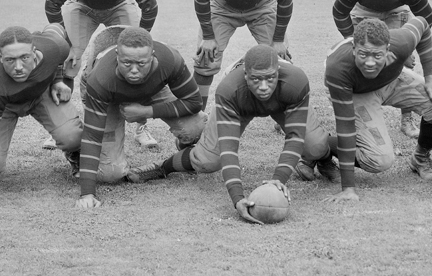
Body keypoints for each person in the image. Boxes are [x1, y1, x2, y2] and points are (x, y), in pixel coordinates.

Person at [130, 44, 337, 223]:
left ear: (278, 73)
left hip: (281, 102)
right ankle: (163, 167)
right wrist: (237, 198)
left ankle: (325, 159)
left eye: (270, 78)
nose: (263, 87)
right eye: (256, 79)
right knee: (207, 161)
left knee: (315, 144)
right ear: (246, 75)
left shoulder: (295, 82)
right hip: (240, 104)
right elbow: (229, 150)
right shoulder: (229, 90)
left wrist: (278, 180)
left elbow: (295, 136)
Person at [44, 0, 159, 147]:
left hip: (118, 7)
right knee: (69, 60)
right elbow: (51, 4)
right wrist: (67, 43)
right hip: (82, 8)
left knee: (136, 60)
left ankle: (142, 127)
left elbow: (150, 7)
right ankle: (61, 124)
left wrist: (142, 39)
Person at [324, 16, 432, 201]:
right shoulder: (338, 69)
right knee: (379, 160)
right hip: (358, 93)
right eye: (363, 54)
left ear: (387, 49)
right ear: (353, 49)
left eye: (377, 55)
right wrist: (348, 188)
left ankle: (420, 157)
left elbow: (423, 24)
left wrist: (430, 76)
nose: (370, 62)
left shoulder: (401, 42)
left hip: (392, 79)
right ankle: (321, 146)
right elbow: (345, 128)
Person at [75, 26, 207, 209]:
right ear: (117, 55)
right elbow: (92, 136)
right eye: (127, 63)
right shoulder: (100, 80)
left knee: (197, 127)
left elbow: (194, 102)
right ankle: (74, 152)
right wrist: (87, 193)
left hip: (152, 89)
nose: (134, 70)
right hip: (110, 97)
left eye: (141, 63)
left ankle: (183, 149)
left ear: (152, 55)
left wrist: (147, 111)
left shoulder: (170, 59)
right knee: (110, 174)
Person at [0, 24, 82, 216]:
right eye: (10, 60)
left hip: (40, 94)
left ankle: (75, 155)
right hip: (4, 106)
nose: (18, 67)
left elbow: (60, 50)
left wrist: (57, 80)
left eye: (24, 58)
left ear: (34, 52)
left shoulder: (53, 47)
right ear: (0, 58)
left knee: (73, 136)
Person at [332, 0, 432, 139]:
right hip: (363, 11)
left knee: (406, 64)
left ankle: (407, 120)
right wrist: (352, 40)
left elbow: (426, 18)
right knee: (358, 61)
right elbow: (339, 13)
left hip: (396, 11)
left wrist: (405, 46)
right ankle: (356, 119)